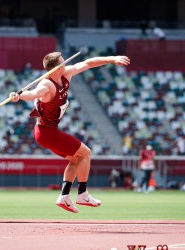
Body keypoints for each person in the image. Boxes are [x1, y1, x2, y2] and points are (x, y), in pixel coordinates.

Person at [10, 51, 130, 213]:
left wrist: (112, 59)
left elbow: (88, 63)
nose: (65, 63)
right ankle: (82, 193)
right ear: (58, 67)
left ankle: (64, 196)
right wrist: (19, 95)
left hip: (46, 132)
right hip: (47, 133)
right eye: (62, 62)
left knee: (76, 159)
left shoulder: (65, 74)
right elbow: (33, 94)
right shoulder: (47, 85)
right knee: (86, 153)